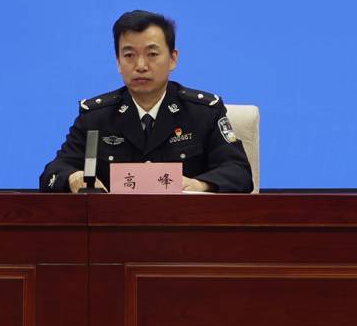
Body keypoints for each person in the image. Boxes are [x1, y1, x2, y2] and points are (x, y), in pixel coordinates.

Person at [40, 10, 253, 193]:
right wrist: (73, 177)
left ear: (172, 59)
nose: (141, 65)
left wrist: (199, 185)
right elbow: (53, 173)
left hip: (186, 223)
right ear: (118, 62)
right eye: (129, 55)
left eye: (152, 54)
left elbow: (239, 173)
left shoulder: (203, 113)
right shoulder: (96, 117)